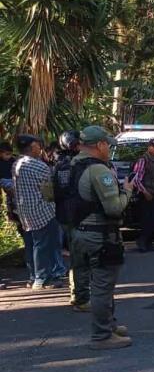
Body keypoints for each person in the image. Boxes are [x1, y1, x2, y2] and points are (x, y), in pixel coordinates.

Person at [71, 126, 133, 350]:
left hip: (77, 232)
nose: (109, 148)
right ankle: (101, 335)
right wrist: (126, 191)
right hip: (99, 235)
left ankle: (108, 325)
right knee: (102, 286)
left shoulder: (69, 165)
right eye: (107, 144)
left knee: (97, 283)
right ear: (99, 145)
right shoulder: (98, 170)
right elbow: (114, 208)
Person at [12, 135, 64, 290]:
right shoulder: (39, 166)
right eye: (37, 145)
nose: (40, 148)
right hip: (42, 210)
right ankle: (42, 279)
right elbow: (48, 193)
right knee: (43, 245)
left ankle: (32, 277)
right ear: (32, 146)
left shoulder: (16, 164)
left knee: (31, 244)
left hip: (24, 211)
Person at [53, 130, 90, 311]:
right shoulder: (76, 164)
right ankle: (81, 297)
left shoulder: (59, 163)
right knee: (81, 258)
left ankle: (77, 294)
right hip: (77, 216)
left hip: (66, 215)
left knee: (78, 257)